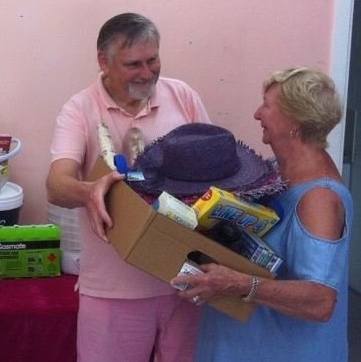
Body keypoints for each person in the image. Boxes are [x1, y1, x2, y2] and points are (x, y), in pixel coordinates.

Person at [46, 13, 211, 362]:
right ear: (103, 62)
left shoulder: (182, 95)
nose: (147, 73)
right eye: (133, 64)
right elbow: (56, 185)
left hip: (185, 280)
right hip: (113, 289)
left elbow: (214, 166)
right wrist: (90, 191)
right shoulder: (80, 109)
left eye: (153, 60)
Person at [171, 67, 353, 361]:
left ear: (294, 121)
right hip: (240, 343)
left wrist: (239, 284)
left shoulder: (319, 198)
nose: (257, 114)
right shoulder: (273, 170)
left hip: (283, 351)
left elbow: (321, 301)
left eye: (267, 105)